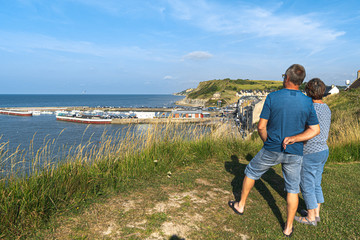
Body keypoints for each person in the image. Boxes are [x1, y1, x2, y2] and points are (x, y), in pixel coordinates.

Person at [228, 64, 320, 237]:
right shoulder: (307, 101)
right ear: (300, 82)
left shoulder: (273, 97)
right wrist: (295, 138)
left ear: (287, 77)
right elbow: (315, 130)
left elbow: (261, 127)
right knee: (293, 189)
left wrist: (267, 142)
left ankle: (240, 205)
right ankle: (288, 227)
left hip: (272, 147)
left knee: (251, 172)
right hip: (295, 151)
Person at [294, 78, 331, 226]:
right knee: (316, 183)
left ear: (308, 91)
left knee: (307, 184)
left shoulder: (308, 108)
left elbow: (303, 128)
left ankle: (310, 217)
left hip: (310, 150)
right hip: (323, 150)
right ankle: (316, 214)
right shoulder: (327, 108)